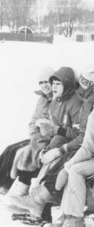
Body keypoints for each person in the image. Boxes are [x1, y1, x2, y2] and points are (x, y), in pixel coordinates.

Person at [8, 66, 83, 216]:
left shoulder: (77, 103)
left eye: (57, 84)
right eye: (52, 83)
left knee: (53, 153)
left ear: (67, 84)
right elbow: (44, 123)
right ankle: (25, 193)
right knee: (29, 150)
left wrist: (55, 132)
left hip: (70, 145)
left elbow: (78, 133)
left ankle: (38, 202)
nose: (52, 87)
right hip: (54, 142)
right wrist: (41, 134)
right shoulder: (55, 101)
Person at [48, 69, 94, 227]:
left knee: (75, 169)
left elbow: (87, 149)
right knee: (72, 165)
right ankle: (66, 213)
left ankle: (76, 218)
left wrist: (67, 167)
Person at [1, 65, 54, 198]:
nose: (44, 85)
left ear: (53, 82)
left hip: (48, 139)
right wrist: (34, 134)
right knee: (10, 149)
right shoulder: (41, 100)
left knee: (18, 152)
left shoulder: (58, 98)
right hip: (37, 137)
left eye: (46, 81)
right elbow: (32, 122)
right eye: (41, 82)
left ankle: (6, 186)